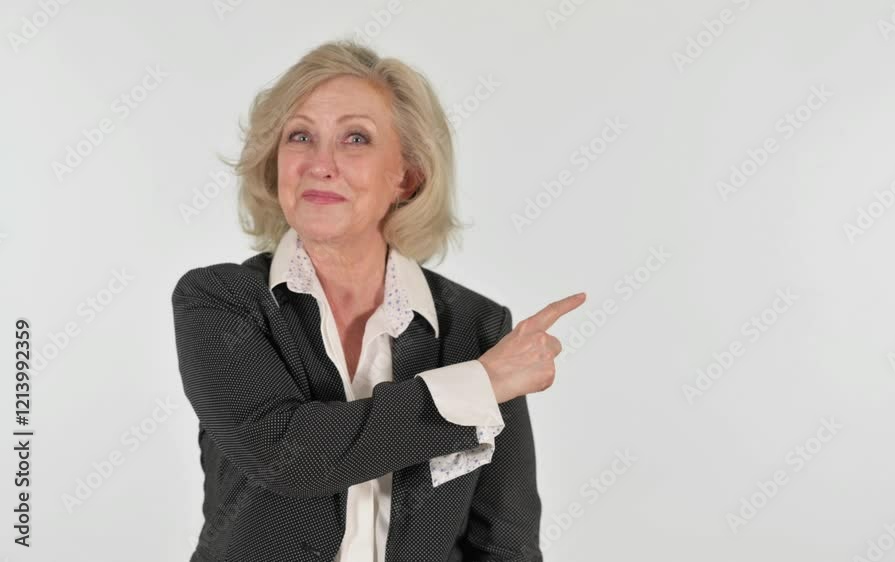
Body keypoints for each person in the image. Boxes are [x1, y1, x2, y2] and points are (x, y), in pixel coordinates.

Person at [170, 38, 586, 562]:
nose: (320, 163)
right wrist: (478, 386)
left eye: (355, 138)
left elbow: (505, 543)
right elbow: (287, 454)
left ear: (406, 176)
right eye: (300, 136)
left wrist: (479, 381)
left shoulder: (477, 328)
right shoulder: (221, 302)